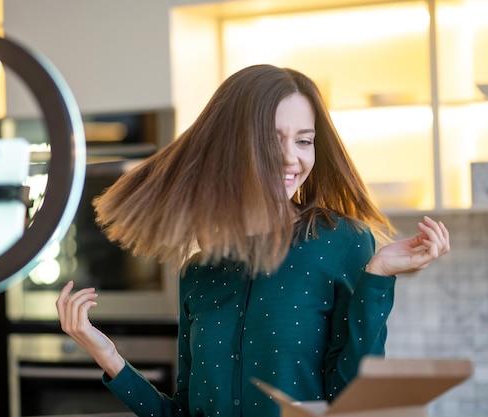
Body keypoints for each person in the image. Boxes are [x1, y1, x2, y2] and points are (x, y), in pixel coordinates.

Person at [56, 64, 450, 417]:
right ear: (233, 144)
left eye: (304, 140)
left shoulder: (341, 241)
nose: (291, 158)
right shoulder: (199, 269)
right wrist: (108, 357)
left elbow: (352, 399)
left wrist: (377, 277)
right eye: (272, 138)